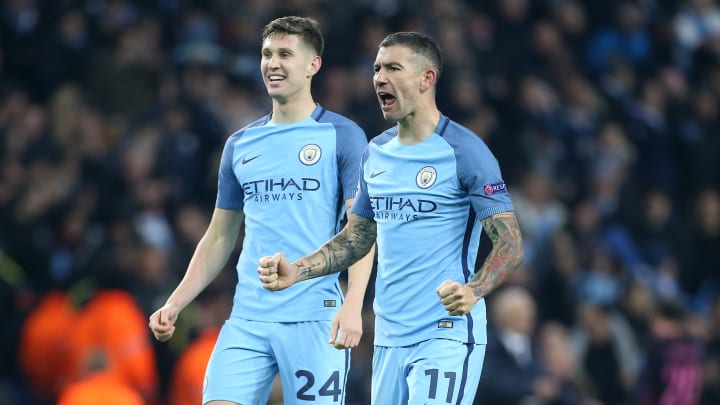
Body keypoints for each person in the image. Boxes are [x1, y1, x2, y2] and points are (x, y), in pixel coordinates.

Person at [259, 31, 524, 405]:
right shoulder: (376, 152)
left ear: (426, 78)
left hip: (443, 334)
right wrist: (298, 270)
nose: (379, 77)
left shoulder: (466, 152)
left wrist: (473, 289)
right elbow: (357, 238)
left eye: (393, 68)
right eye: (377, 68)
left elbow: (510, 243)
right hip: (388, 337)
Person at [148, 16, 374, 405]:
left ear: (313, 65)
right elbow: (219, 236)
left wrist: (353, 306)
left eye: (286, 54)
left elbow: (361, 233)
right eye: (267, 54)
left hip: (314, 318)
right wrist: (175, 302)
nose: (273, 63)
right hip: (248, 317)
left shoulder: (343, 136)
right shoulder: (240, 144)